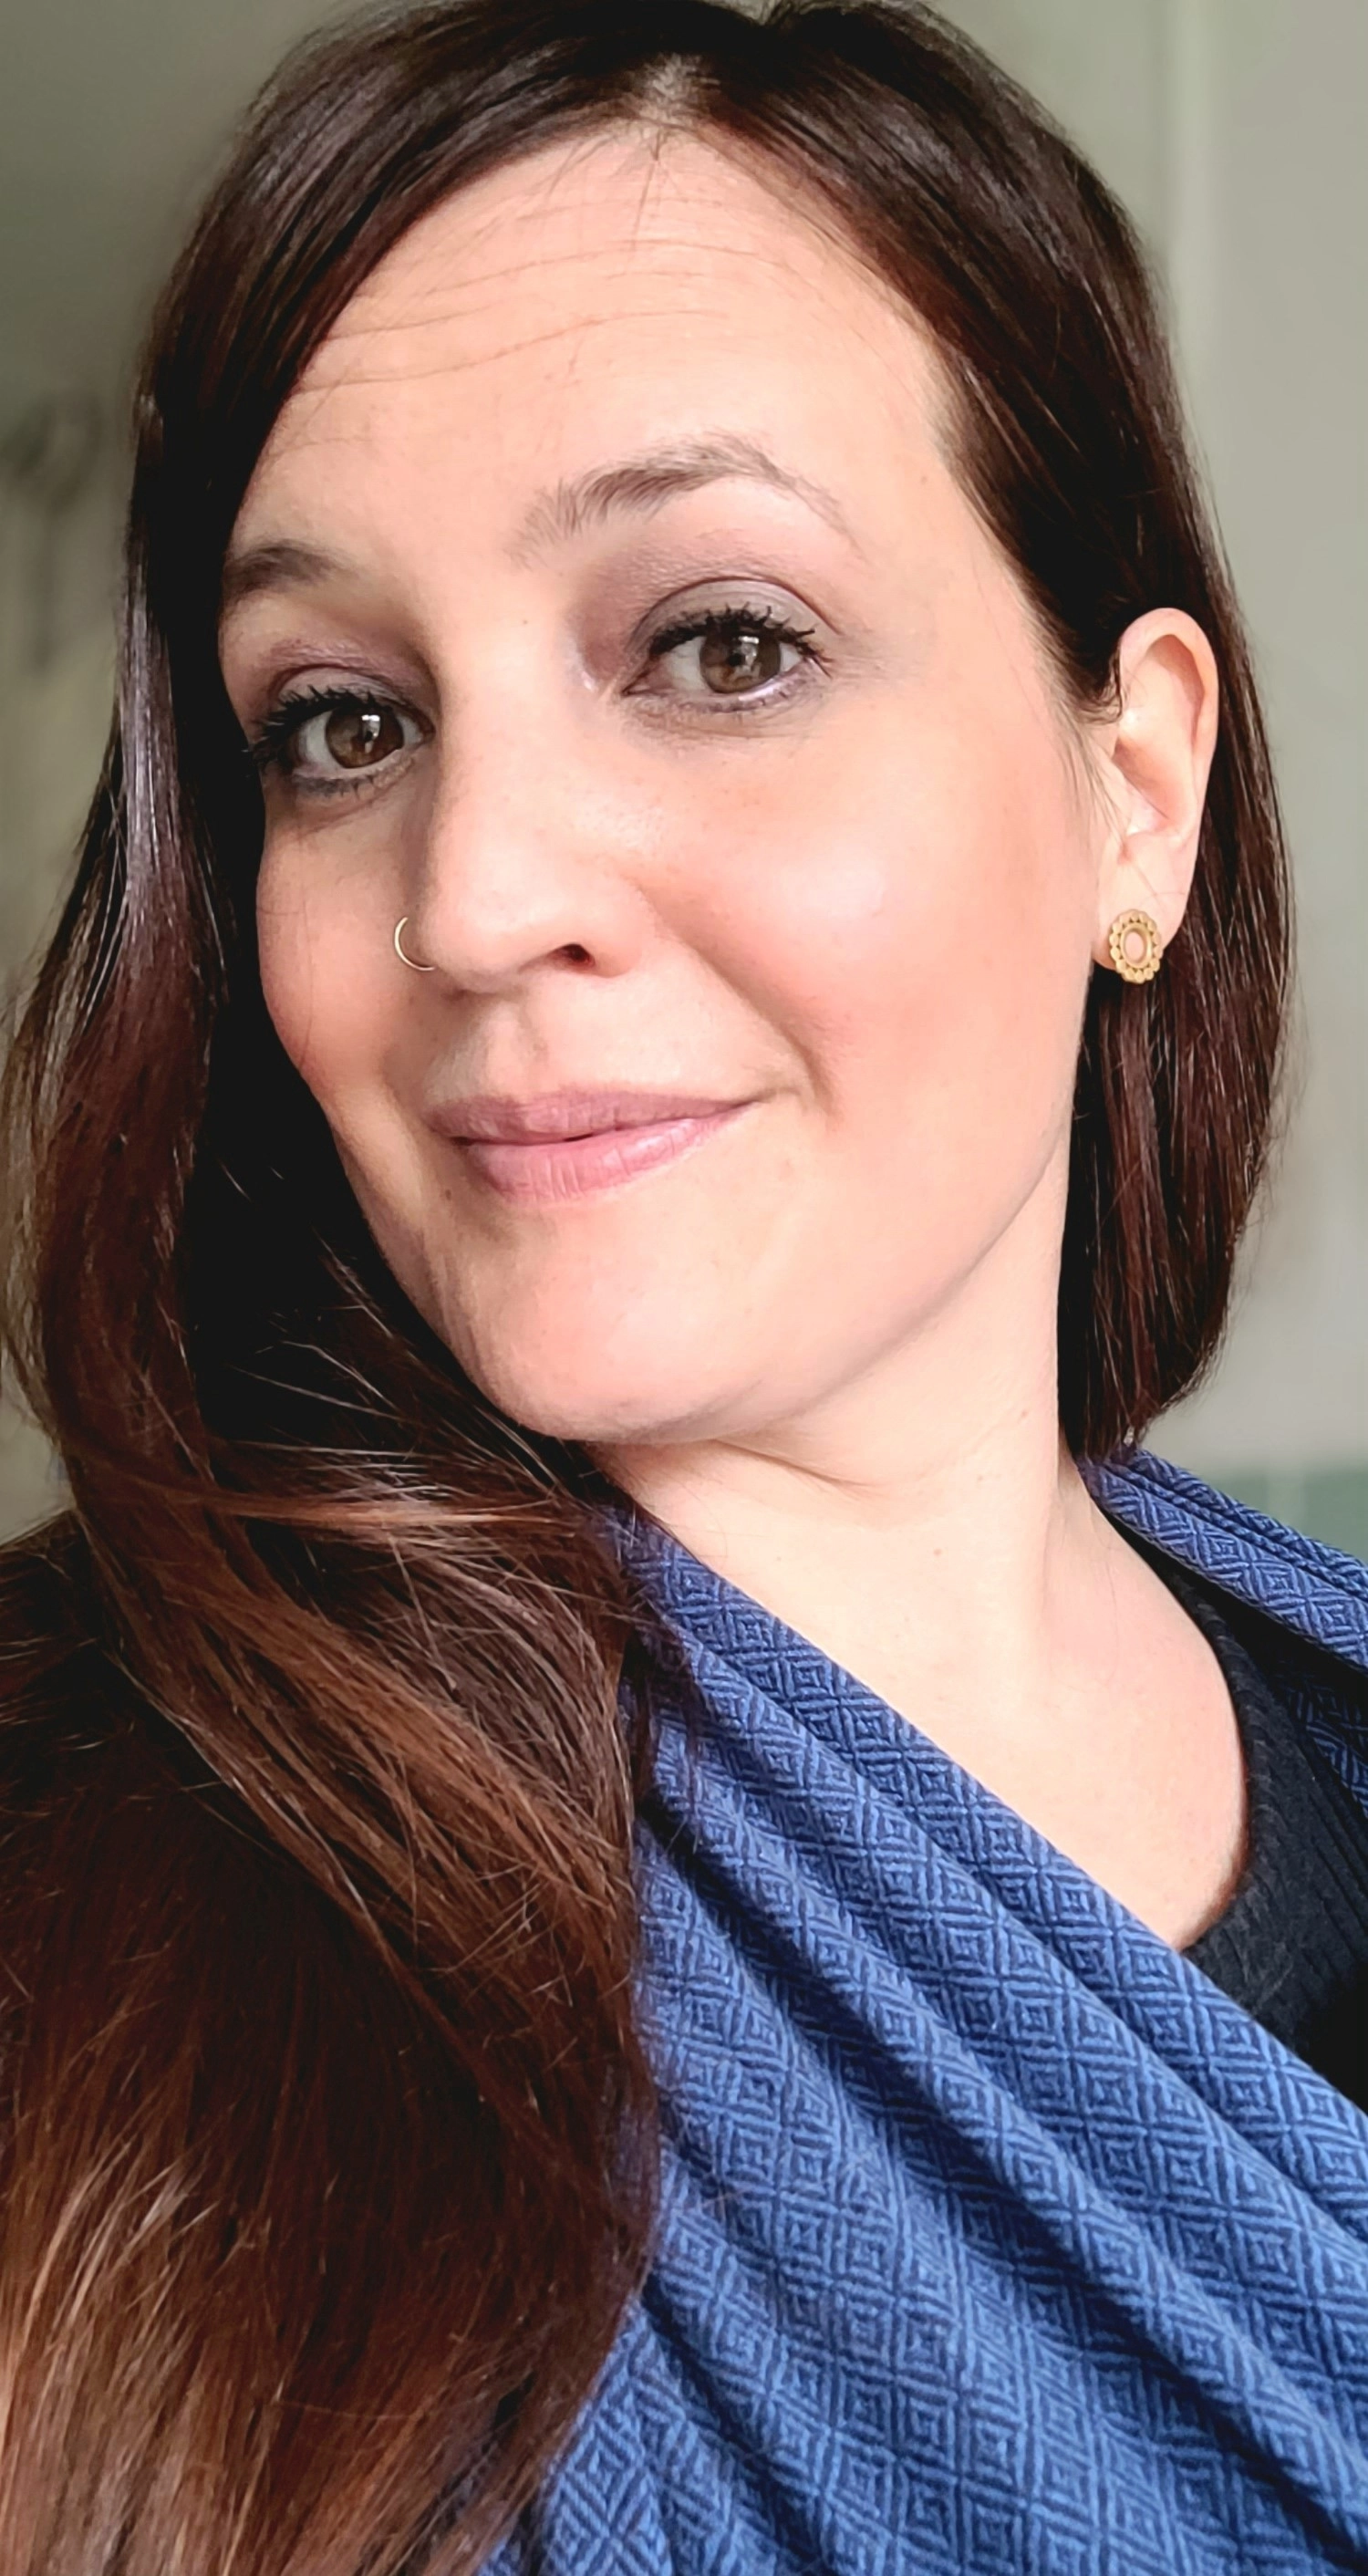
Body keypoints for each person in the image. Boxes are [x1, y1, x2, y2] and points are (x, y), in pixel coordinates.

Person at [2, 0, 1366, 2568]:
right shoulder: (69, 1875)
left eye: (721, 645)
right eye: (342, 722)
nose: (473, 892)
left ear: (1135, 789)